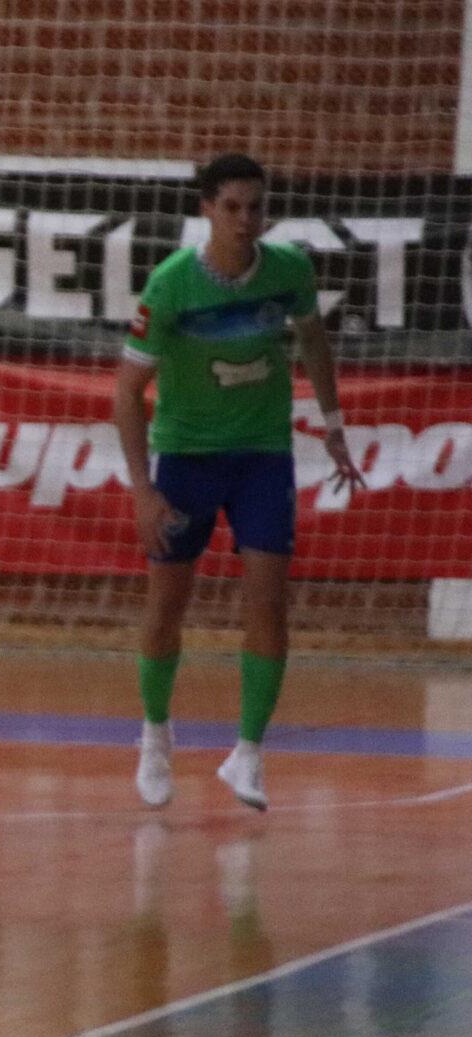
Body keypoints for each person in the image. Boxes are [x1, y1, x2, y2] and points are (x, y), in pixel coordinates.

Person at [115, 152, 360, 811]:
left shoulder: (289, 270)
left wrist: (334, 423)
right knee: (168, 604)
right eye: (231, 207)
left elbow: (313, 340)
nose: (245, 219)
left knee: (269, 602)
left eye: (255, 207)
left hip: (262, 455)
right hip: (187, 458)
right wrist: (142, 491)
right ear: (206, 210)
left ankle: (248, 752)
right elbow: (127, 392)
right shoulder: (171, 285)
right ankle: (155, 735)